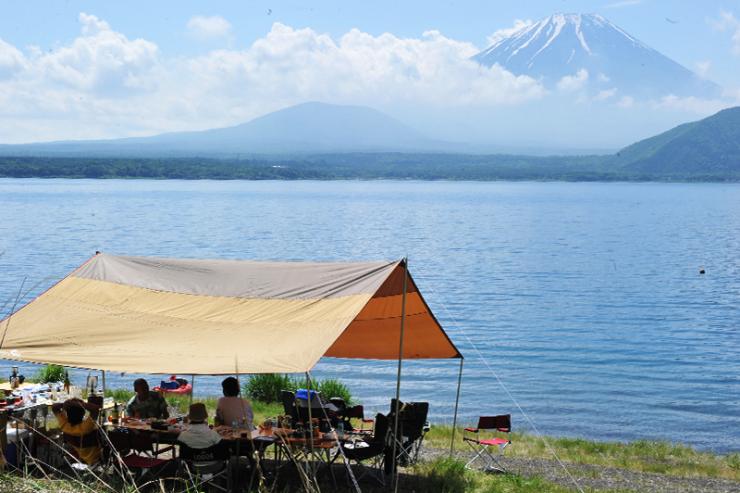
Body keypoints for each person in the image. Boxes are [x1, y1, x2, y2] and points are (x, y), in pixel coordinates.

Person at [52, 398, 102, 465]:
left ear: (67, 413)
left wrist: (66, 404)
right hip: (97, 459)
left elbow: (54, 407)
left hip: (80, 458)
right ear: (83, 413)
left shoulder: (64, 426)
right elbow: (95, 409)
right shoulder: (87, 427)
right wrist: (77, 404)